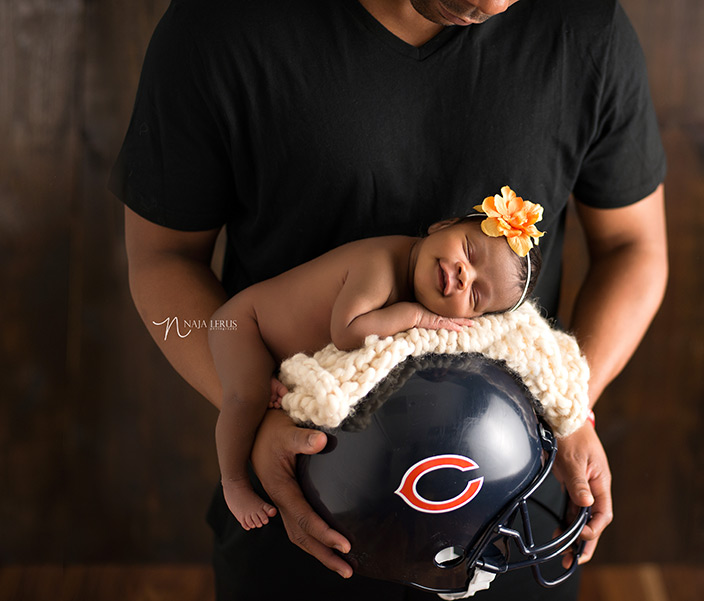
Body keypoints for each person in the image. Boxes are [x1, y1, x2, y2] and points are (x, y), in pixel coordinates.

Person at [111, 0, 668, 599]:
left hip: (511, 514)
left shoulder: (585, 27)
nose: (490, 3)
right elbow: (163, 260)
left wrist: (571, 410)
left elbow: (634, 248)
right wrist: (259, 412)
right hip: (298, 504)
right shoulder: (221, 23)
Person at [211, 190, 544, 531]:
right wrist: (417, 316)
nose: (463, 275)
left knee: (263, 390)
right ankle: (233, 482)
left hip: (272, 350)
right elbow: (347, 332)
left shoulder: (411, 272)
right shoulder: (381, 265)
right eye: (469, 251)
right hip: (245, 326)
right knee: (247, 396)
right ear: (442, 226)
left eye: (475, 295)